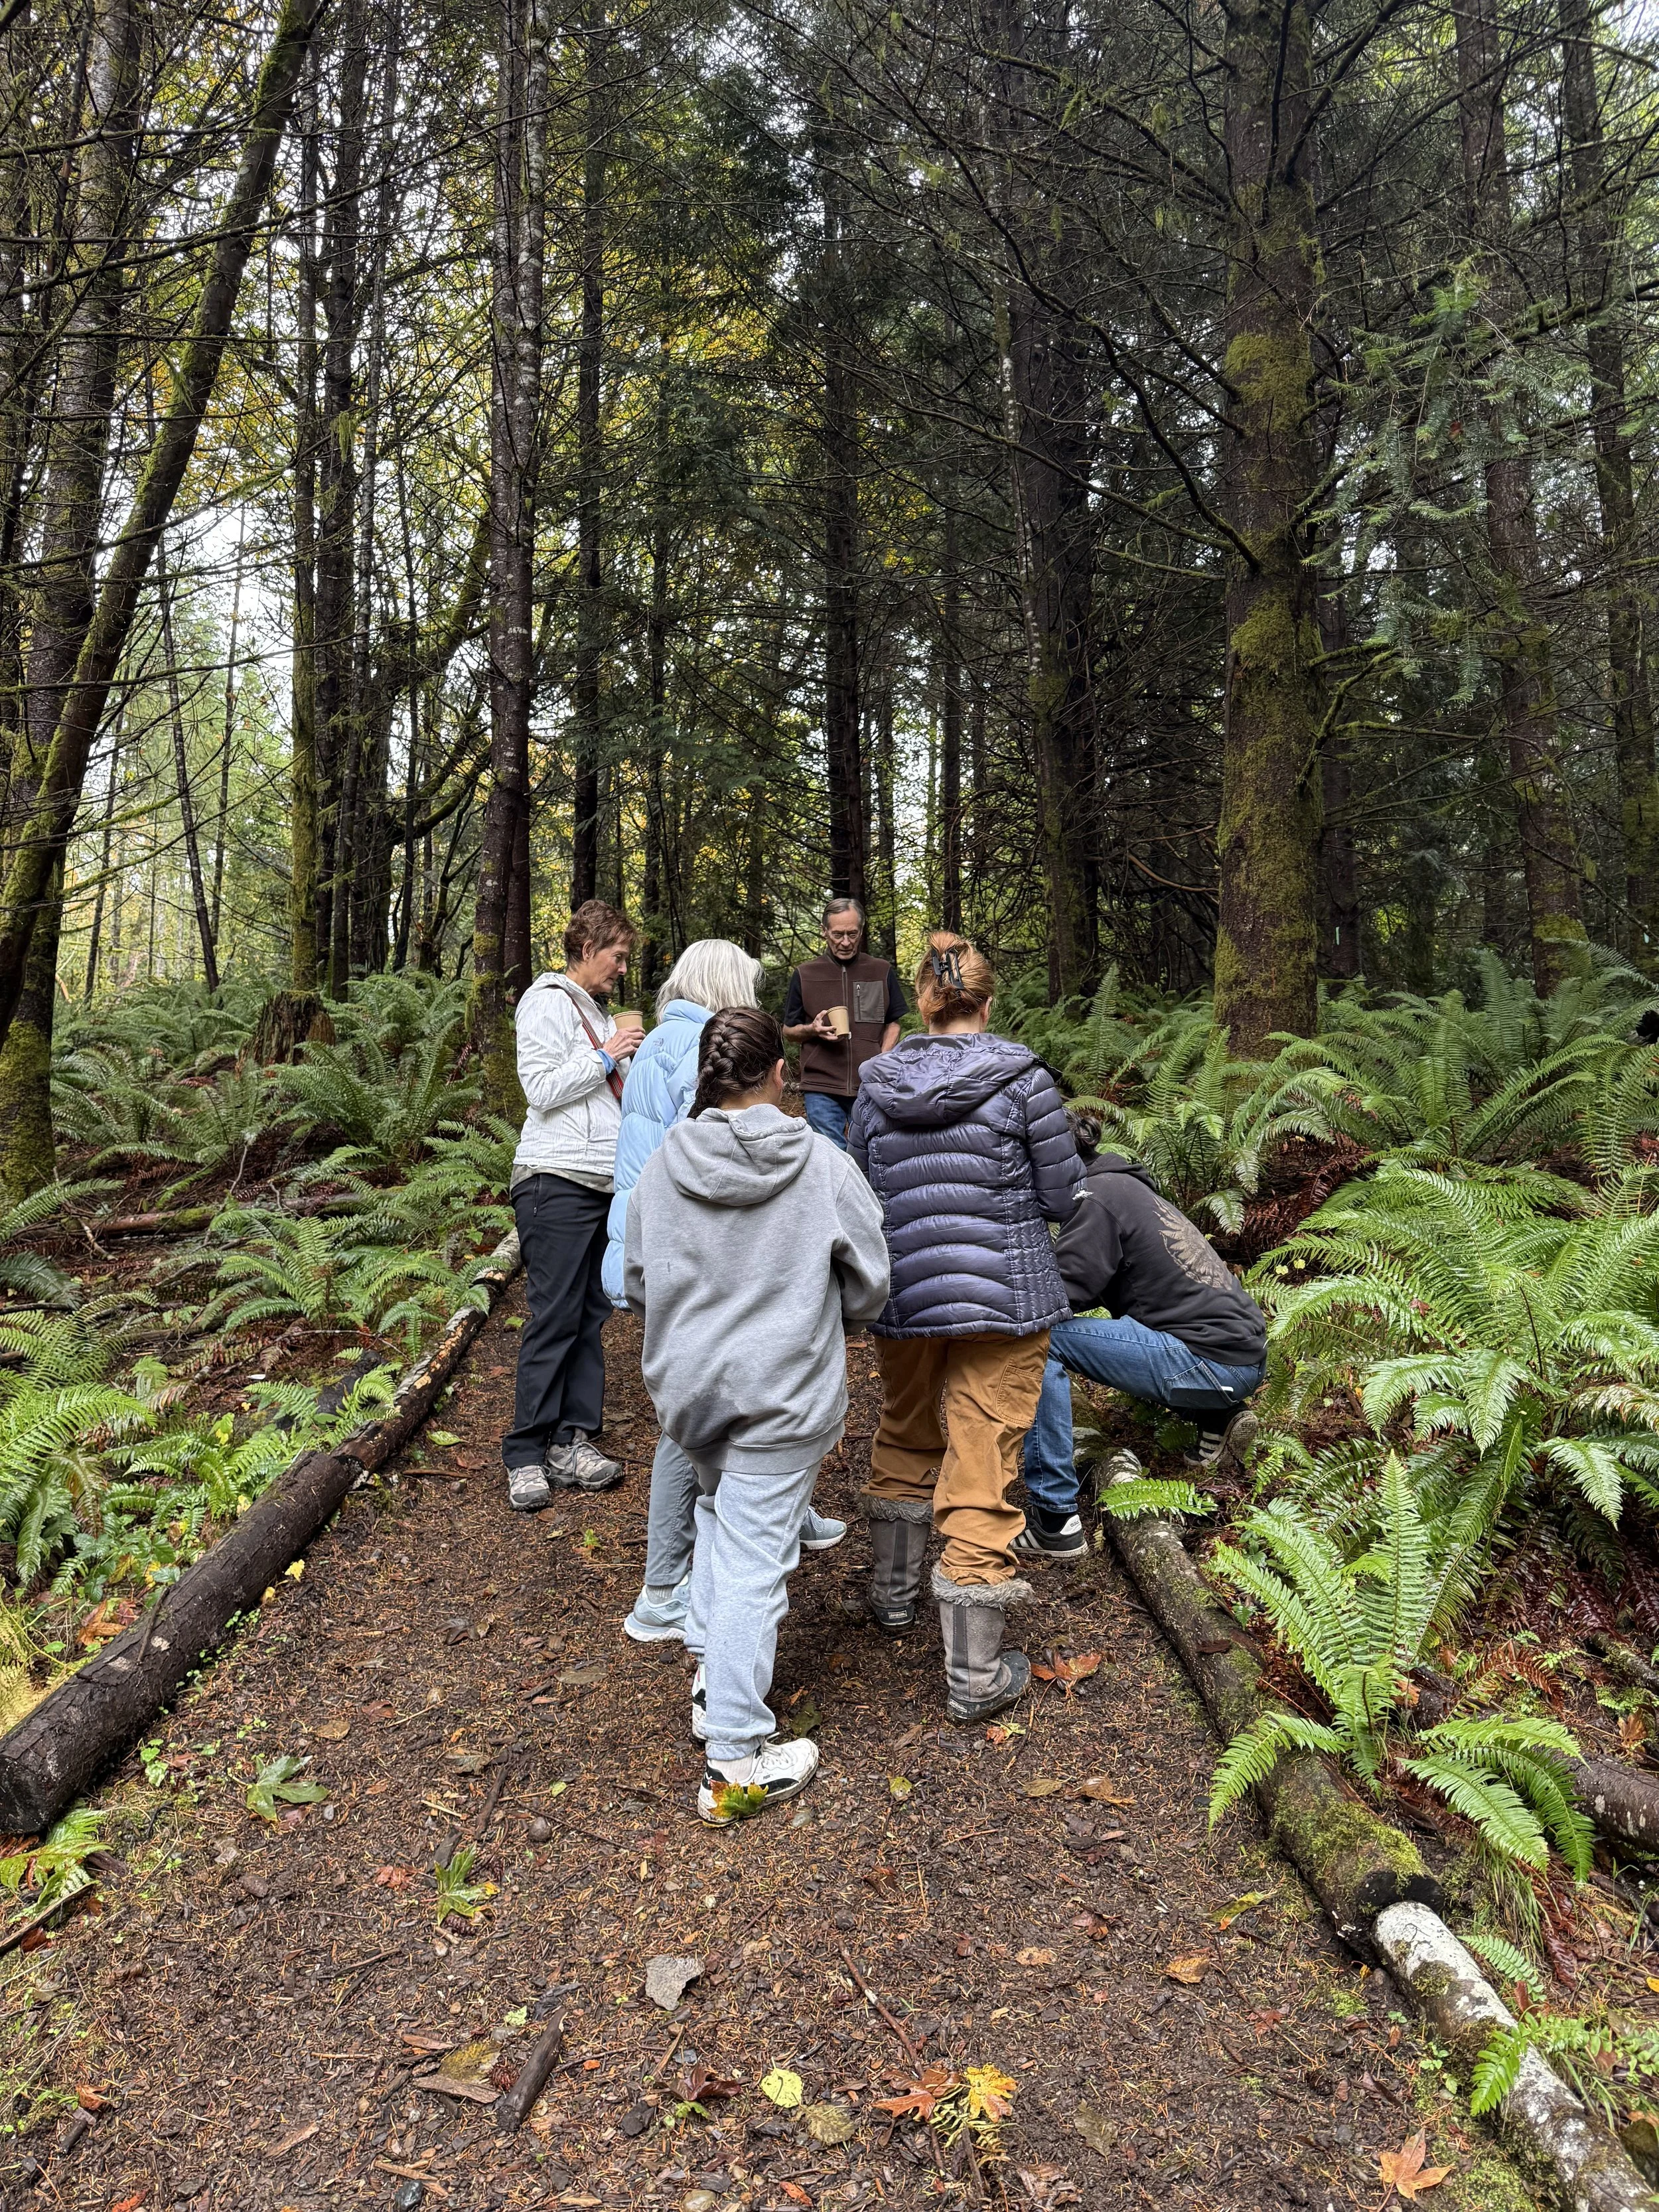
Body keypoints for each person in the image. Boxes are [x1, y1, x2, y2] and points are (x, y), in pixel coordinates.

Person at [624, 1007, 891, 1823]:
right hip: (783, 1394)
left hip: (693, 1391)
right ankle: (734, 1758)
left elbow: (636, 1279)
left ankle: (713, 1682)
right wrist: (824, 1319)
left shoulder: (666, 1164)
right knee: (751, 1561)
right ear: (781, 1074)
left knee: (717, 1517)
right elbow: (871, 1282)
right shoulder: (822, 1164)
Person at [849, 932, 1081, 1725]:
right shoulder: (1024, 1081)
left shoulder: (876, 1086)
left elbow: (857, 1191)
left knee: (908, 1427)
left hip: (904, 1294)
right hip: (1002, 1300)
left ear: (922, 1002)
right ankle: (974, 1675)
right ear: (987, 1003)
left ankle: (892, 1598)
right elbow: (1061, 1196)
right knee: (982, 1456)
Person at [598, 939, 847, 1647]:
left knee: (715, 1397)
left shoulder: (661, 1039)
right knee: (694, 1420)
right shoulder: (696, 1046)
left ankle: (785, 1515)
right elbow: (717, 1148)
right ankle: (662, 1588)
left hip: (657, 1242)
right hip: (690, 1247)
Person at [1015, 1109, 1267, 1559]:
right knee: (1143, 1326)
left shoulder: (1096, 1199)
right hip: (1239, 1353)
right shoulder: (1122, 1185)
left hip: (1211, 1360)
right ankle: (1220, 1418)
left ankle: (1054, 1516)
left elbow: (1060, 1293)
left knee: (1039, 1340)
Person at [501, 899, 645, 1512]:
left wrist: (629, 1061)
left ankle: (573, 1438)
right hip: (553, 1178)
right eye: (617, 956)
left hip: (598, 1183)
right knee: (555, 1315)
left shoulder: (596, 1009)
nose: (621, 968)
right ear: (587, 949)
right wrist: (608, 1053)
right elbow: (540, 1088)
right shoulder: (545, 1000)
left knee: (591, 1316)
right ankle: (526, 1453)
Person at [782, 895, 905, 1151]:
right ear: (824, 931)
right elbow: (789, 1031)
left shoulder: (881, 970)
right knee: (831, 1155)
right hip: (821, 1085)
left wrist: (882, 1057)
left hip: (869, 1083)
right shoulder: (805, 974)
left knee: (873, 1152)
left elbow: (893, 1022)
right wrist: (811, 1030)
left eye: (853, 934)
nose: (846, 942)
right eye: (838, 934)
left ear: (861, 931)